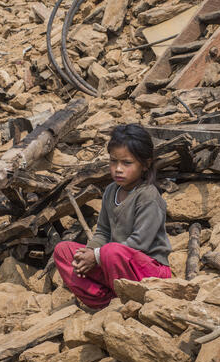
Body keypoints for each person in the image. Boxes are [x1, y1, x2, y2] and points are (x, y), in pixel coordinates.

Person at [53, 124, 172, 309]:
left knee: (111, 251)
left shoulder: (148, 195)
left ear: (145, 164)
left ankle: (129, 297)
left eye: (127, 163)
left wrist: (98, 256)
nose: (118, 169)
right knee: (64, 251)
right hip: (114, 266)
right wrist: (89, 253)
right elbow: (103, 231)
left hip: (149, 272)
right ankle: (107, 301)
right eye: (113, 161)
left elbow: (140, 243)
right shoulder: (110, 191)